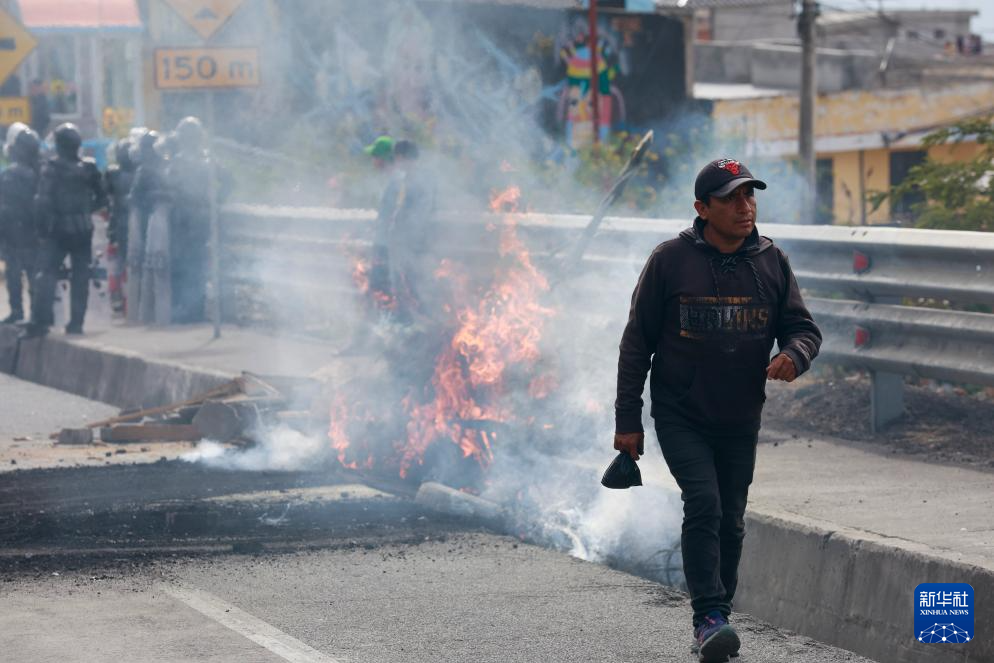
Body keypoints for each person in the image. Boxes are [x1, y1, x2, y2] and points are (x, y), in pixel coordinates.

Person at [613, 158, 821, 662]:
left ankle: (718, 615)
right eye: (730, 198)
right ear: (702, 208)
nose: (744, 206)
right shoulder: (669, 260)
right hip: (680, 413)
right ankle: (707, 616)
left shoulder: (772, 261)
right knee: (704, 503)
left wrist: (794, 356)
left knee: (731, 518)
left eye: (749, 195)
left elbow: (803, 328)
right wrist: (627, 421)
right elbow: (636, 344)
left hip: (740, 416)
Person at [23, 123, 107, 337]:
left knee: (46, 274)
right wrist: (84, 211)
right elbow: (102, 198)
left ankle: (40, 322)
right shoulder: (89, 168)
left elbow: (43, 202)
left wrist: (41, 230)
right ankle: (76, 323)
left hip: (57, 229)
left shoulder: (51, 169)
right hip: (83, 228)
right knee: (80, 276)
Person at [126, 129, 169, 324]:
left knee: (153, 269)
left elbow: (134, 198)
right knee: (154, 269)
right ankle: (153, 315)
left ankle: (148, 315)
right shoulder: (153, 169)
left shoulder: (151, 170)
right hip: (153, 220)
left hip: (155, 221)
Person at [0, 126, 41, 324]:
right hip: (33, 231)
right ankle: (36, 313)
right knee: (33, 273)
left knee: (14, 273)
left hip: (14, 232)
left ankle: (17, 311)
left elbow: (4, 206)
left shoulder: (9, 174)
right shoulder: (41, 172)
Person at [104, 137, 137, 314]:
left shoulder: (114, 174)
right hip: (131, 224)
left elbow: (105, 198)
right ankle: (128, 300)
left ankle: (123, 300)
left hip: (121, 225)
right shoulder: (138, 173)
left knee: (121, 263)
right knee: (127, 264)